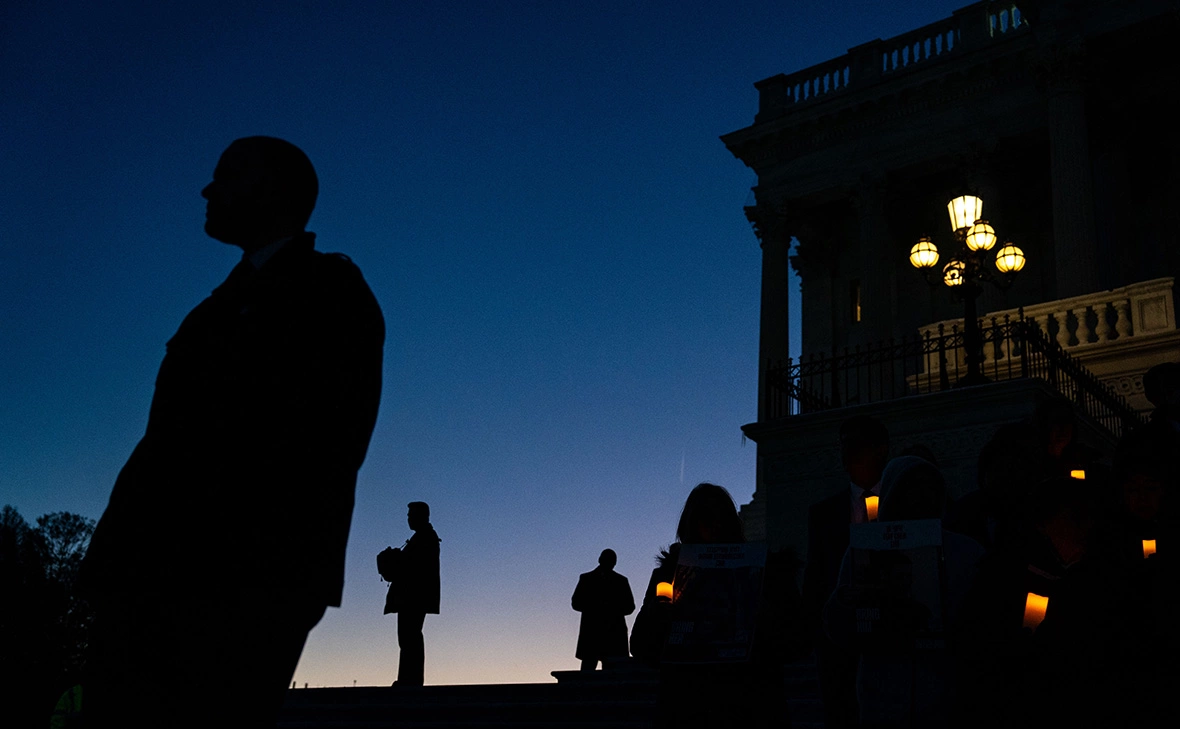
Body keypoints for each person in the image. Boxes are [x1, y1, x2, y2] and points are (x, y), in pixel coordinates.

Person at [79, 137, 385, 729]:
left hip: (238, 578)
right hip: (149, 574)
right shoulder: (215, 306)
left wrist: (278, 582)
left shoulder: (329, 288)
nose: (208, 189)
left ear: (274, 190)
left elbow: (329, 440)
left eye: (227, 175)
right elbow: (163, 444)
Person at [802, 414, 890, 728]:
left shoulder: (904, 504)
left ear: (881, 449)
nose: (847, 452)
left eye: (856, 443)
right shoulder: (824, 514)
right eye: (843, 445)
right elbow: (815, 578)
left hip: (894, 642)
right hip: (839, 646)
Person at [385, 501, 441, 686]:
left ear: (421, 516)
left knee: (410, 637)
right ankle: (409, 680)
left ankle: (410, 681)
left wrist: (396, 559)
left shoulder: (425, 538)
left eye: (411, 515)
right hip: (413, 596)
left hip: (414, 596)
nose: (408, 519)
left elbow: (414, 567)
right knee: (409, 637)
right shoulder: (422, 537)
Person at [571, 549, 635, 671]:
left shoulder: (621, 581)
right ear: (600, 560)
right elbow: (576, 603)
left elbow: (630, 607)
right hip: (592, 632)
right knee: (587, 671)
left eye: (612, 561)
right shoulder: (586, 578)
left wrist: (612, 608)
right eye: (608, 560)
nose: (610, 563)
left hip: (614, 633)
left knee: (611, 673)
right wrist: (597, 606)